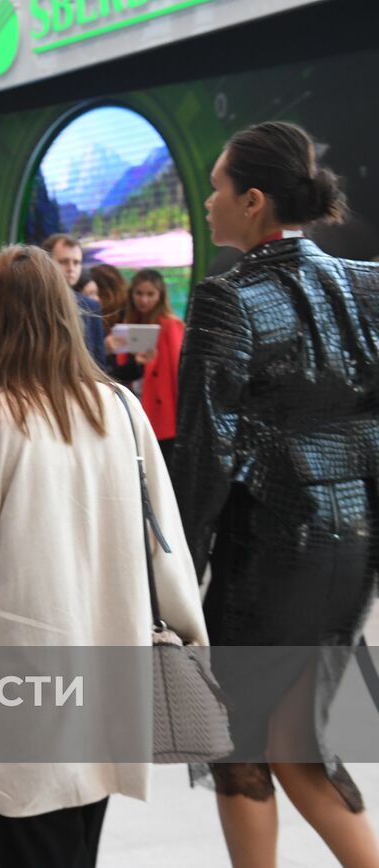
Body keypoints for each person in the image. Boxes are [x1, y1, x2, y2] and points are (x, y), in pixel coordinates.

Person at [0, 244, 206, 868]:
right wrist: (191, 631)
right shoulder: (121, 409)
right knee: (78, 845)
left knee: (29, 846)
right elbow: (165, 539)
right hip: (111, 674)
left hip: (22, 689)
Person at [172, 121, 379, 868]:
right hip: (353, 549)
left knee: (242, 748)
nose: (208, 199)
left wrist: (175, 583)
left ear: (253, 201)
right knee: (303, 748)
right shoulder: (366, 282)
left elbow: (203, 455)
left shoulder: (228, 301)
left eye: (218, 186)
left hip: (268, 555)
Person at [111, 269, 184, 463]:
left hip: (163, 409)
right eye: (139, 293)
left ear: (160, 296)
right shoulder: (127, 324)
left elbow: (178, 370)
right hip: (136, 399)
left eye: (150, 294)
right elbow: (121, 369)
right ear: (131, 294)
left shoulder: (171, 325)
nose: (144, 300)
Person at [43, 235, 107, 367]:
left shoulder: (91, 306)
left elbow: (99, 363)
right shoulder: (31, 303)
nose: (71, 268)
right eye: (63, 261)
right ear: (45, 263)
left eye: (76, 262)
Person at [88, 263, 128, 335]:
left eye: (102, 295)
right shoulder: (89, 310)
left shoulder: (127, 309)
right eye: (92, 293)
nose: (97, 299)